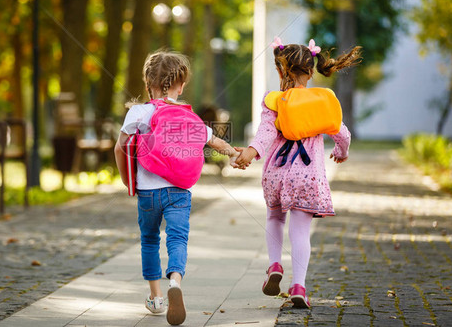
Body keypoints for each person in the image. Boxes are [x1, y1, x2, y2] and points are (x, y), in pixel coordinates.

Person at [234, 37, 362, 308]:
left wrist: (251, 152)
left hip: (277, 174)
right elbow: (343, 133)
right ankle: (299, 286)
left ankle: (275, 265)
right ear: (312, 71)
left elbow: (266, 132)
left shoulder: (274, 100)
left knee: (275, 219)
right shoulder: (321, 102)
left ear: (281, 71)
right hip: (307, 174)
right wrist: (342, 151)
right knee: (301, 232)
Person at [115, 50, 239, 325]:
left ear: (148, 83)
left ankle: (156, 297)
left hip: (147, 191)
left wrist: (127, 179)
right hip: (179, 192)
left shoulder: (138, 111)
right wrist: (234, 154)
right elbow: (215, 143)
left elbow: (121, 146)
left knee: (149, 239)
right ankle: (175, 282)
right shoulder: (188, 117)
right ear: (180, 85)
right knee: (178, 239)